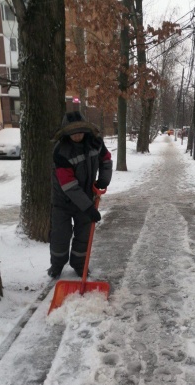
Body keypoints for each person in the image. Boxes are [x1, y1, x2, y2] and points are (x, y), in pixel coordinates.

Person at [48, 111, 113, 278]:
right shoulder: (61, 151)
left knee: (84, 235)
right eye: (72, 133)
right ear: (66, 133)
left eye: (80, 131)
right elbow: (69, 185)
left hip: (86, 197)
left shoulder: (95, 142)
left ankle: (79, 265)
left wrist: (104, 180)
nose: (77, 136)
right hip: (63, 201)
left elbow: (105, 159)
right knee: (60, 236)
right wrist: (89, 207)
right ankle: (57, 266)